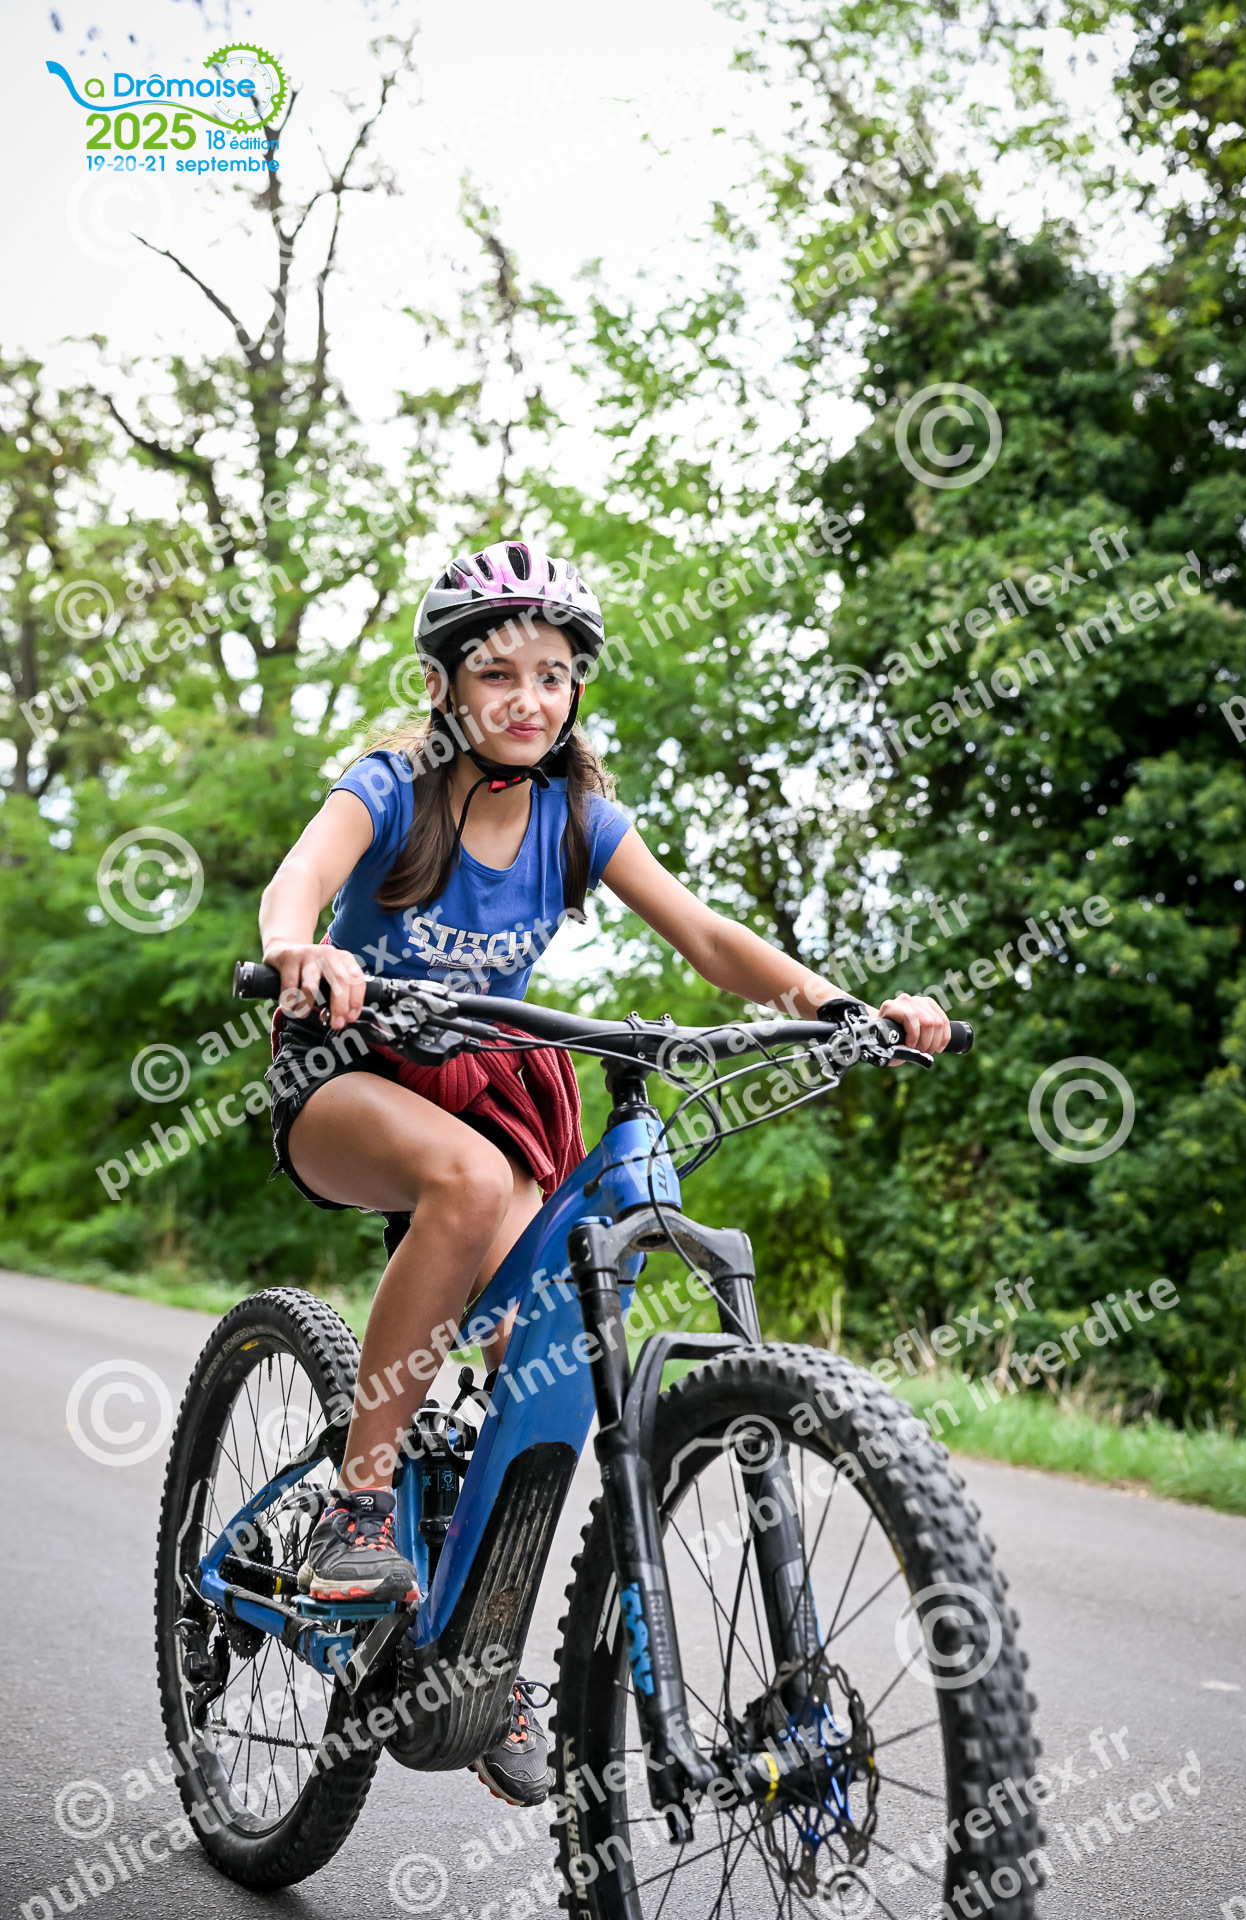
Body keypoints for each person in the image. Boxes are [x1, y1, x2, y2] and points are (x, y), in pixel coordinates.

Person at [257, 539, 949, 1802]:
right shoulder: (394, 786)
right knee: (469, 1189)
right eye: (497, 673)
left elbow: (702, 934)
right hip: (351, 1069)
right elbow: (299, 877)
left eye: (553, 675)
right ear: (442, 685)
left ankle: (475, 1637)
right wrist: (303, 950)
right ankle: (358, 1500)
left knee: (550, 1340)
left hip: (489, 1084)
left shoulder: (575, 816)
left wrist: (831, 1003)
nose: (529, 698)